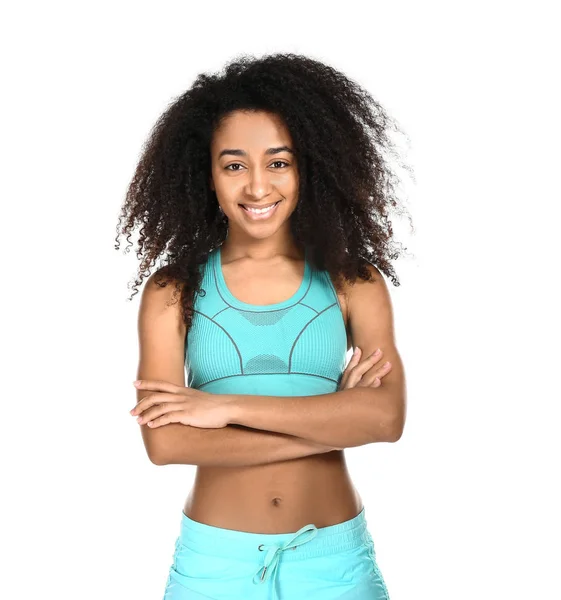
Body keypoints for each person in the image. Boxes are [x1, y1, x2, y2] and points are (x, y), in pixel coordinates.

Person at [116, 52, 410, 600]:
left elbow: (386, 418)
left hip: (334, 565)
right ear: (205, 174)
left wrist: (222, 409)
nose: (257, 187)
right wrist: (329, 422)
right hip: (214, 567)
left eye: (278, 162)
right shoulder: (173, 292)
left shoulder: (352, 281)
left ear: (308, 167)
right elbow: (165, 443)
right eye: (234, 165)